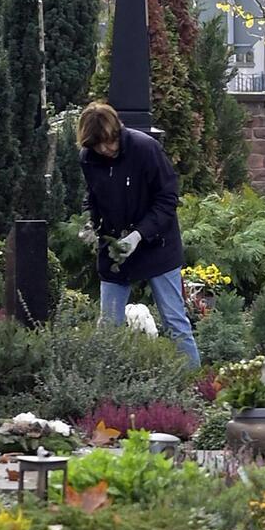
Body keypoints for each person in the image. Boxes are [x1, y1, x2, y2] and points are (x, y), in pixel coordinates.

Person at [77, 100, 200, 365]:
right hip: (114, 249)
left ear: (117, 131)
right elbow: (94, 197)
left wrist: (138, 235)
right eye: (97, 145)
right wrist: (91, 224)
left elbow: (168, 198)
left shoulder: (145, 149)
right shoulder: (89, 159)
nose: (105, 149)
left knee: (174, 321)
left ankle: (196, 389)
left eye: (109, 141)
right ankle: (105, 389)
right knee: (108, 326)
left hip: (158, 246)